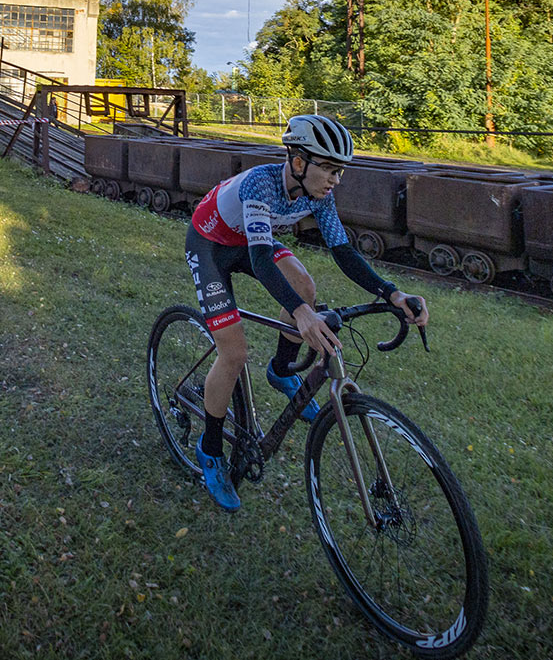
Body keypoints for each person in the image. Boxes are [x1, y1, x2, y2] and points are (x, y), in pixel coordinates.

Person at [182, 114, 428, 512]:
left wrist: (393, 293)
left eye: (340, 171)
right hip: (210, 245)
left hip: (248, 239)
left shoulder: (319, 194)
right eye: (329, 169)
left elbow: (343, 252)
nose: (335, 179)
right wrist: (300, 315)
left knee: (305, 287)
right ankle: (210, 449)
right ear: (298, 162)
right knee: (234, 352)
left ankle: (280, 370)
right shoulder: (261, 184)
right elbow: (262, 262)